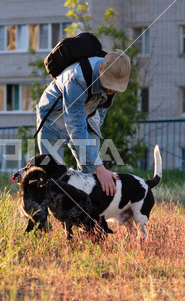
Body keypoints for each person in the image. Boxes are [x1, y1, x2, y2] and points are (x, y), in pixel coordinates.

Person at [36, 49, 131, 196]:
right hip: (53, 119)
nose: (111, 89)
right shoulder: (76, 79)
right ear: (101, 68)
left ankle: (88, 216)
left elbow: (102, 108)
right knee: (50, 177)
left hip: (86, 117)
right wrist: (99, 166)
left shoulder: (114, 75)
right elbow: (75, 126)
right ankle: (45, 217)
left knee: (91, 175)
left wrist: (94, 164)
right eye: (108, 84)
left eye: (115, 87)